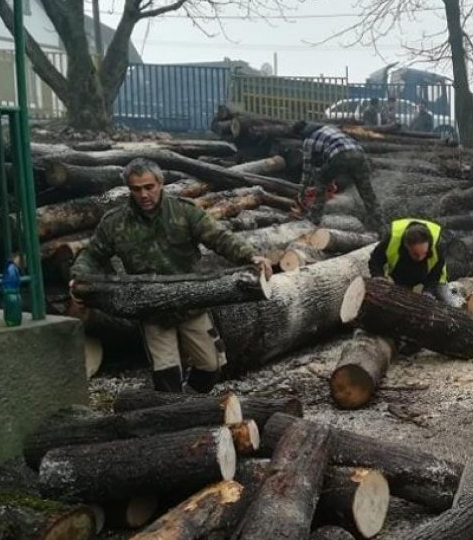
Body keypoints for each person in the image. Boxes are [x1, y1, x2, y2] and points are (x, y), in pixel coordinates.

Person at [70, 159, 273, 393]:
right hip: (152, 310)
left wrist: (250, 257)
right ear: (129, 188)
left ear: (160, 183)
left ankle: (188, 405)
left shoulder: (184, 211)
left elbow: (220, 238)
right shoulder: (115, 222)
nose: (144, 194)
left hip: (192, 303)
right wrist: (78, 277)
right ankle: (174, 410)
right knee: (166, 376)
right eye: (136, 189)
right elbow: (93, 254)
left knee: (211, 366)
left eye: (149, 187)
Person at [298, 122, 385, 230]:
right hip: (359, 154)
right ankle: (380, 224)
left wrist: (301, 191)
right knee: (367, 193)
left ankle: (315, 218)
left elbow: (307, 170)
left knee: (320, 180)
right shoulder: (330, 129)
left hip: (340, 155)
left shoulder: (308, 141)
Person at [369, 218, 455, 305]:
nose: (420, 258)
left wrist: (428, 291)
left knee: (446, 301)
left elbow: (435, 274)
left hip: (434, 276)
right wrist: (378, 276)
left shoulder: (438, 245)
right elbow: (375, 260)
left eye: (424, 253)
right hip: (402, 271)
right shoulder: (392, 239)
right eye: (416, 254)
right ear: (406, 246)